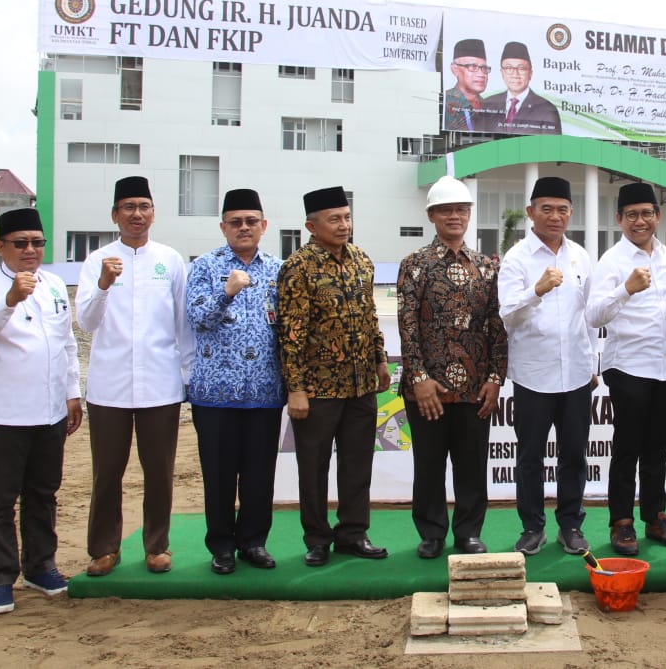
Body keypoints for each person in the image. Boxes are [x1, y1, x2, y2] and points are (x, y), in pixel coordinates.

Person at [0, 208, 81, 614]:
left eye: (37, 242)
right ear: (0, 247)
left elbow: (66, 342)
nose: (30, 250)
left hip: (47, 411)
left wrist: (71, 393)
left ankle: (40, 565)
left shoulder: (52, 285)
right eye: (20, 243)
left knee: (43, 493)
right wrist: (10, 299)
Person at [76, 176, 194, 577]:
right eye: (128, 207)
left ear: (153, 213)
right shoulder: (97, 260)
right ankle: (104, 549)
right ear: (115, 215)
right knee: (107, 472)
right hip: (109, 387)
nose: (137, 214)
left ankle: (156, 546)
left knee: (158, 471)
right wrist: (104, 285)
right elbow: (87, 321)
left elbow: (184, 325)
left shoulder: (170, 260)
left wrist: (188, 374)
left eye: (144, 206)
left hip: (160, 385)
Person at [277, 186, 391, 566]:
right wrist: (296, 389)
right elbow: (290, 334)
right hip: (319, 388)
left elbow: (370, 316)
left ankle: (353, 533)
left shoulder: (361, 260)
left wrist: (379, 361)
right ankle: (317, 538)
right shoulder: (299, 267)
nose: (344, 225)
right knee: (313, 466)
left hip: (360, 384)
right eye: (334, 219)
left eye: (346, 217)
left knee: (358, 462)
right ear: (312, 226)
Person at [396, 176, 507, 559]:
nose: (455, 216)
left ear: (470, 214)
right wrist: (419, 379)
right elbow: (407, 325)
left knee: (472, 464)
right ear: (431, 215)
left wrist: (495, 378)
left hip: (475, 387)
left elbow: (497, 326)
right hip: (428, 389)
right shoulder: (415, 265)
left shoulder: (487, 267)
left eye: (461, 209)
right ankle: (431, 534)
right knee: (428, 464)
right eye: (446, 209)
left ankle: (468, 533)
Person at [184, 189, 284, 575]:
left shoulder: (277, 268)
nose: (244, 228)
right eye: (236, 222)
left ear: (263, 226)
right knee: (220, 474)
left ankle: (254, 542)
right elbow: (197, 319)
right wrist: (227, 292)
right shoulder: (206, 267)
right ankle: (222, 546)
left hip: (264, 391)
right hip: (215, 394)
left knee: (260, 474)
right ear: (223, 227)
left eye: (251, 221)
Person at [587, 182, 666, 556]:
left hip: (665, 367)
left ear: (658, 217)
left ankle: (655, 516)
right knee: (627, 448)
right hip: (627, 365)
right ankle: (621, 522)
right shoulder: (611, 261)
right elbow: (594, 315)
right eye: (632, 215)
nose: (640, 221)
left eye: (647, 213)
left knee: (658, 448)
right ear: (619, 219)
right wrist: (625, 289)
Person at [499, 176, 595, 555]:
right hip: (532, 375)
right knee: (530, 456)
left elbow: (585, 316)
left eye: (562, 210)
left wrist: (590, 363)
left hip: (575, 375)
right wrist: (535, 290)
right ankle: (531, 527)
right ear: (531, 212)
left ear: (570, 213)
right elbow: (507, 313)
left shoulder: (580, 256)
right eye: (546, 209)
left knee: (573, 454)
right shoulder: (516, 258)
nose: (554, 217)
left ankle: (570, 525)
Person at [483, 42, 561, 134]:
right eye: (509, 68)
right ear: (502, 73)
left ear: (530, 74)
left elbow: (553, 147)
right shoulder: (487, 104)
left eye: (521, 69)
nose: (515, 74)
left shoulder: (547, 110)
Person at [443, 39, 496, 133]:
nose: (481, 74)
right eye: (472, 67)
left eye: (484, 68)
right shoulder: (445, 101)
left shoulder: (490, 108)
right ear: (455, 69)